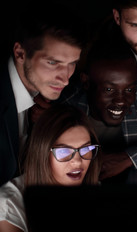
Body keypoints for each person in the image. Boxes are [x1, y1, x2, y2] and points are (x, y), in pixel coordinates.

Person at [60, 37, 137, 183]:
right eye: (109, 89)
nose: (120, 100)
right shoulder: (66, 104)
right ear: (86, 82)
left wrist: (130, 158)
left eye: (128, 89)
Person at [0, 3, 87, 186]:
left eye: (72, 63)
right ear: (20, 53)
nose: (65, 79)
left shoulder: (61, 96)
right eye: (53, 63)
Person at [0, 104, 101, 232]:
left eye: (85, 149)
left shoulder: (96, 190)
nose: (77, 162)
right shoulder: (9, 204)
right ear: (42, 153)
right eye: (64, 151)